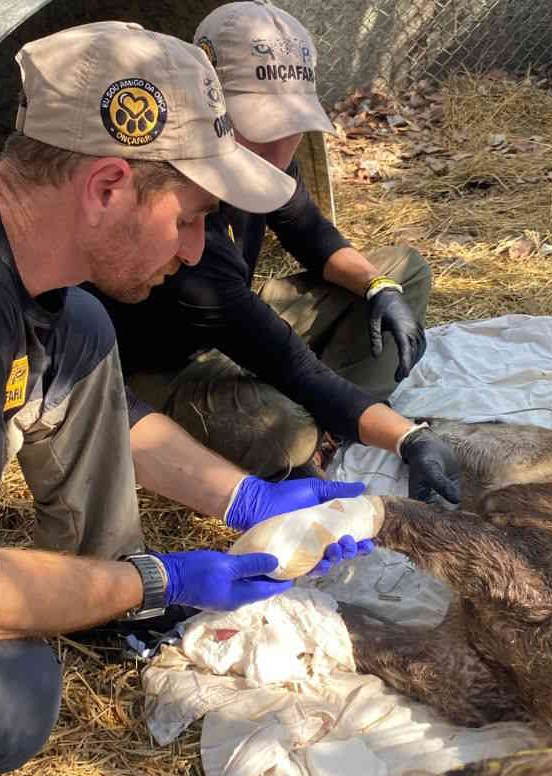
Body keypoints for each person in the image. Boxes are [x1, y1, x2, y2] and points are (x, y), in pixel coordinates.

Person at [0, 22, 371, 776]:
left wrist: (249, 501)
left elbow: (111, 414)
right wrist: (162, 580)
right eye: (189, 218)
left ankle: (99, 594)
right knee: (9, 696)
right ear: (108, 186)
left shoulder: (21, 269)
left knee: (83, 330)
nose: (193, 249)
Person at [91, 0, 462, 504]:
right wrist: (406, 436)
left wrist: (378, 288)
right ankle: (330, 416)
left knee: (403, 272)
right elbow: (285, 359)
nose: (280, 147)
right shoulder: (184, 234)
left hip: (235, 325)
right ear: (206, 106)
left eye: (292, 124)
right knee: (286, 431)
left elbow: (310, 232)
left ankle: (338, 411)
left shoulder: (264, 163)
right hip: (159, 364)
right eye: (261, 124)